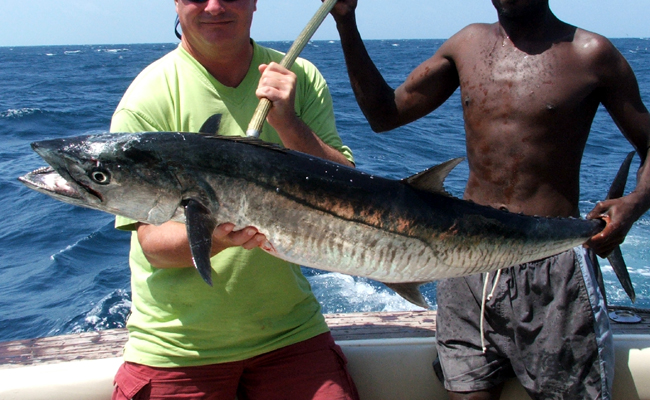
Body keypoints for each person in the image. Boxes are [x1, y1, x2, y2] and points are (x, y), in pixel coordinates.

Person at [330, 0, 650, 399]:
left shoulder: (592, 53)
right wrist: (346, 21)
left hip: (552, 267)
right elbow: (385, 115)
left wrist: (634, 204)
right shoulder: (467, 44)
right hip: (466, 266)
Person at [109, 1, 360, 399]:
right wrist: (225, 234)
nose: (214, 6)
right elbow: (153, 246)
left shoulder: (298, 78)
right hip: (178, 348)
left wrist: (289, 123)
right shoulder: (149, 97)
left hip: (291, 333)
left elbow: (351, 194)